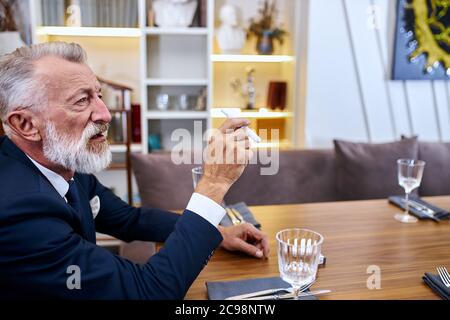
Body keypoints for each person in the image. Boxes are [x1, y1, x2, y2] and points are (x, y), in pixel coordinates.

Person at [0, 42, 269, 300]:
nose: (105, 114)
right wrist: (214, 183)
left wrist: (219, 233)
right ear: (26, 124)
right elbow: (148, 292)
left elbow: (129, 220)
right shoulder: (18, 212)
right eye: (82, 101)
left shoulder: (61, 162)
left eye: (99, 95)